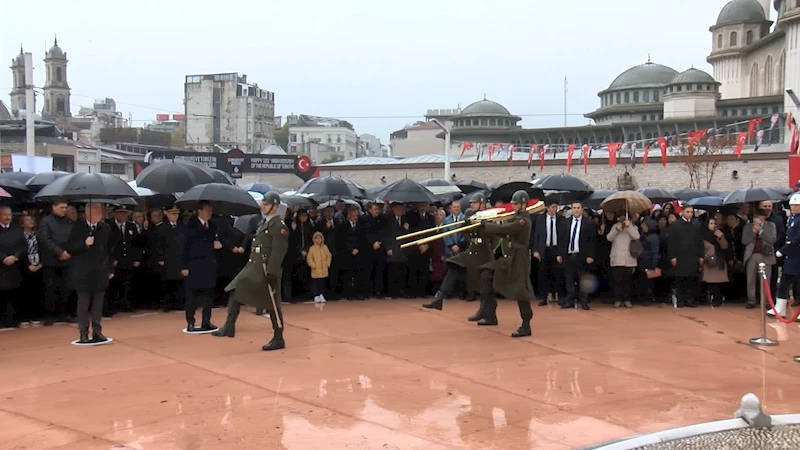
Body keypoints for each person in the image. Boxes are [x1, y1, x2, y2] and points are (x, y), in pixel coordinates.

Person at [214, 192, 289, 351]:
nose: (263, 206)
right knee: (235, 291)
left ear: (275, 206)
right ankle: (229, 326)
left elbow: (278, 251)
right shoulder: (264, 222)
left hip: (265, 269)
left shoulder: (278, 225)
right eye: (263, 203)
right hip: (254, 267)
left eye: (266, 204)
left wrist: (272, 273)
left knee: (272, 305)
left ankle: (278, 337)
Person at [472, 190, 536, 338]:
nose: (513, 206)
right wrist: (484, 227)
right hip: (509, 257)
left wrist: (486, 224)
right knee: (486, 274)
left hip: (518, 259)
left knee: (521, 292)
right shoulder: (515, 218)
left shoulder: (523, 221)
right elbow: (502, 233)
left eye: (516, 204)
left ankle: (526, 325)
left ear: (524, 205)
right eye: (513, 204)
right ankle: (488, 313)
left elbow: (505, 229)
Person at [423, 192, 494, 321]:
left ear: (482, 204)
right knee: (453, 265)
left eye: (474, 202)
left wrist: (484, 224)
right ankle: (439, 298)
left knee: (486, 286)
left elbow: (492, 236)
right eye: (471, 202)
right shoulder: (469, 214)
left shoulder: (489, 216)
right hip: (472, 251)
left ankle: (488, 314)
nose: (471, 204)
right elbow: (463, 231)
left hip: (484, 253)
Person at [64, 202, 115, 343]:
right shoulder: (78, 227)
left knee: (98, 304)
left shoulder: (105, 228)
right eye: (96, 212)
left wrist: (110, 268)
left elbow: (109, 250)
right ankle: (83, 332)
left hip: (100, 271)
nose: (100, 215)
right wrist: (84, 244)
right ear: (88, 212)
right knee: (83, 303)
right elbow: (70, 248)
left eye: (101, 212)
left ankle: (97, 331)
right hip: (83, 271)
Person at [179, 201, 221, 332]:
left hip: (208, 264)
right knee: (191, 295)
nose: (210, 212)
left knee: (208, 295)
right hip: (194, 264)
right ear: (200, 211)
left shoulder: (212, 225)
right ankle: (190, 321)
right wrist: (183, 266)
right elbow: (185, 247)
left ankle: (206, 321)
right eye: (207, 210)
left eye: (210, 210)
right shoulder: (190, 225)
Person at [38, 199, 75, 326]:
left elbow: (74, 238)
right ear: (53, 207)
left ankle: (65, 313)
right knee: (50, 288)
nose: (64, 210)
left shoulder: (70, 222)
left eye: (65, 207)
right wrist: (59, 252)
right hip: (51, 260)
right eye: (61, 207)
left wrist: (68, 252)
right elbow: (45, 239)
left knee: (66, 288)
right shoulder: (45, 221)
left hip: (67, 259)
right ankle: (50, 315)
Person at [562, 202, 596, 310]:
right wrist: (560, 253)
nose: (576, 210)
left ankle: (584, 301)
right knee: (569, 279)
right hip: (569, 255)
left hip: (582, 255)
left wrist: (590, 255)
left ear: (582, 209)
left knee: (583, 279)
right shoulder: (566, 222)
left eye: (578, 208)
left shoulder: (588, 223)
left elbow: (592, 241)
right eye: (574, 208)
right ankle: (570, 300)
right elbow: (562, 239)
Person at [772, 194, 800, 320]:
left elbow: (795, 240)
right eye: (792, 205)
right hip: (791, 257)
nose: (793, 208)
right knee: (784, 281)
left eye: (796, 205)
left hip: (797, 256)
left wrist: (783, 251)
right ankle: (780, 307)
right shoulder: (792, 219)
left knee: (798, 284)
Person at [0, 206, 27, 328]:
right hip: (1, 267)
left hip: (14, 267)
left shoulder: (17, 230)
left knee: (14, 294)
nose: (8, 217)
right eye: (5, 215)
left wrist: (16, 256)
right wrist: (3, 258)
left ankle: (13, 320)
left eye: (9, 215)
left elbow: (23, 246)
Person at [156, 206, 185, 312]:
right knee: (167, 283)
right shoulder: (161, 228)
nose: (175, 216)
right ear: (167, 214)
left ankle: (179, 303)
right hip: (167, 258)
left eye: (176, 214)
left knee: (179, 282)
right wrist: (160, 257)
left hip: (179, 258)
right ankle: (167, 305)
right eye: (172, 214)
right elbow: (158, 245)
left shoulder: (182, 227)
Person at [306, 231, 332, 303]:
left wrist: (327, 264)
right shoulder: (312, 248)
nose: (318, 240)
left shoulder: (325, 247)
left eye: (319, 238)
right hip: (316, 270)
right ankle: (316, 295)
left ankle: (321, 294)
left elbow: (329, 256)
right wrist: (313, 265)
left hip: (324, 269)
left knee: (322, 283)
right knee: (315, 283)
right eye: (316, 238)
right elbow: (309, 258)